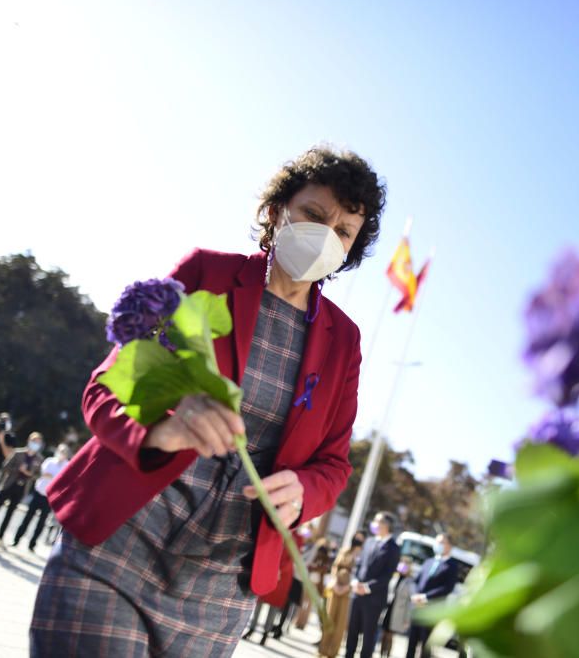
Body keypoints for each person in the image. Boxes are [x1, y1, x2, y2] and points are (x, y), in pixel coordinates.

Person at [30, 146, 386, 657]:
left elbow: (332, 464)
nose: (325, 236)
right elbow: (106, 389)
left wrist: (304, 490)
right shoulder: (208, 275)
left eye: (343, 231)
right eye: (313, 215)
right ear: (277, 209)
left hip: (221, 592)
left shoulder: (344, 341)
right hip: (118, 546)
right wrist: (159, 432)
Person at [0, 431, 44, 548]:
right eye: (34, 441)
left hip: (22, 488)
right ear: (29, 441)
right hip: (9, 485)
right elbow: (5, 466)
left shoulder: (39, 459)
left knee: (10, 514)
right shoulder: (18, 453)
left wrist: (28, 473)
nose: (36, 444)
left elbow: (38, 476)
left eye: (38, 443)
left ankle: (0, 537)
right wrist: (18, 469)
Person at [345, 512, 402, 658]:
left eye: (378, 521)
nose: (374, 524)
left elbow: (387, 575)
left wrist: (367, 587)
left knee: (368, 636)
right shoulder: (370, 541)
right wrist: (355, 581)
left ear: (386, 526)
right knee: (352, 632)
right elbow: (359, 565)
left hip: (374, 599)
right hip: (357, 594)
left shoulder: (394, 548)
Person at [406, 534, 460, 658]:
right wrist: (415, 595)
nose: (438, 545)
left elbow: (447, 588)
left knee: (426, 645)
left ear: (449, 546)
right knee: (411, 643)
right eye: (437, 542)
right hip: (417, 608)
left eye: (441, 542)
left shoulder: (452, 566)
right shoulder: (429, 561)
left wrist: (425, 597)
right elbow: (416, 581)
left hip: (432, 610)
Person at [13, 443, 70, 551]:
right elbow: (41, 473)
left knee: (42, 522)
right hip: (39, 492)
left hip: (50, 498)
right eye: (60, 451)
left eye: (64, 452)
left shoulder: (67, 465)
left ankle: (32, 544)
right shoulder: (49, 461)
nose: (61, 454)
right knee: (28, 517)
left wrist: (53, 477)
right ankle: (17, 539)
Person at [319, 538, 365, 657]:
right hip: (335, 588)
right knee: (329, 617)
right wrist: (334, 583)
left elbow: (358, 574)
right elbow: (335, 567)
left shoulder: (361, 557)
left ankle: (333, 652)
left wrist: (348, 587)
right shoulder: (344, 552)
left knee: (340, 623)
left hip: (347, 592)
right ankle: (322, 649)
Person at [381, 557, 415, 657]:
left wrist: (407, 618)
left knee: (390, 635)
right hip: (388, 608)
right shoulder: (395, 577)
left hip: (398, 612)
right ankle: (381, 654)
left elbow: (410, 602)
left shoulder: (410, 581)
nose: (403, 566)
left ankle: (387, 654)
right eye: (402, 563)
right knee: (383, 633)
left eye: (406, 564)